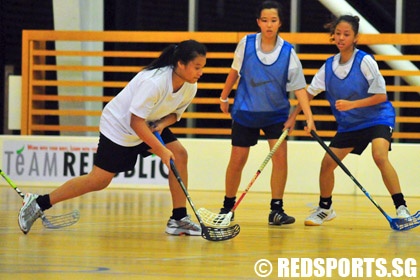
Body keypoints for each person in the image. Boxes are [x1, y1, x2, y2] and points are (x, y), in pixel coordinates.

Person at [18, 40, 207, 235]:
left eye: (202, 68)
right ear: (180, 64)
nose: (200, 72)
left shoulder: (190, 87)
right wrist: (161, 150)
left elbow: (174, 114)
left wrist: (160, 125)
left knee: (180, 155)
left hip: (149, 123)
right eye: (197, 67)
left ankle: (179, 219)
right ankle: (39, 203)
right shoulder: (154, 83)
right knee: (99, 180)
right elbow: (135, 122)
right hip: (119, 127)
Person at [297, 15, 411, 226]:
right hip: (350, 125)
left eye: (346, 34)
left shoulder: (365, 61)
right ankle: (325, 208)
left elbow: (381, 96)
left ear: (355, 37)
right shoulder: (328, 66)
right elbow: (307, 94)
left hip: (377, 117)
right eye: (338, 33)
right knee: (327, 165)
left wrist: (351, 105)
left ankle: (401, 207)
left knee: (379, 156)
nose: (341, 38)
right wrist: (297, 118)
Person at [218, 0, 315, 226]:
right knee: (237, 160)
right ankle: (227, 207)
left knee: (280, 160)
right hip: (245, 111)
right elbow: (235, 71)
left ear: (280, 23)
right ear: (258, 22)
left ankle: (276, 210)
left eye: (273, 20)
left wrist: (308, 116)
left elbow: (300, 87)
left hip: (276, 115)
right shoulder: (246, 43)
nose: (269, 25)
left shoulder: (288, 52)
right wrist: (224, 96)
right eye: (264, 20)